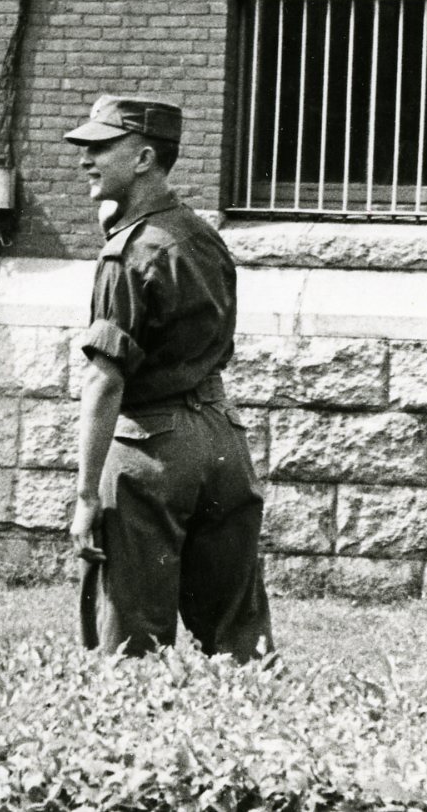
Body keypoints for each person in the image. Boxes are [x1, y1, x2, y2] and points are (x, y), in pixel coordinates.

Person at [66, 94, 271, 660]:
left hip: (151, 449)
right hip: (223, 440)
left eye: (101, 147)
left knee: (130, 636)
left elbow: (106, 381)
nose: (85, 159)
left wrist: (86, 496)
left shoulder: (126, 255)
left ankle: (129, 744)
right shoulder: (202, 234)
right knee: (239, 635)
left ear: (144, 159)